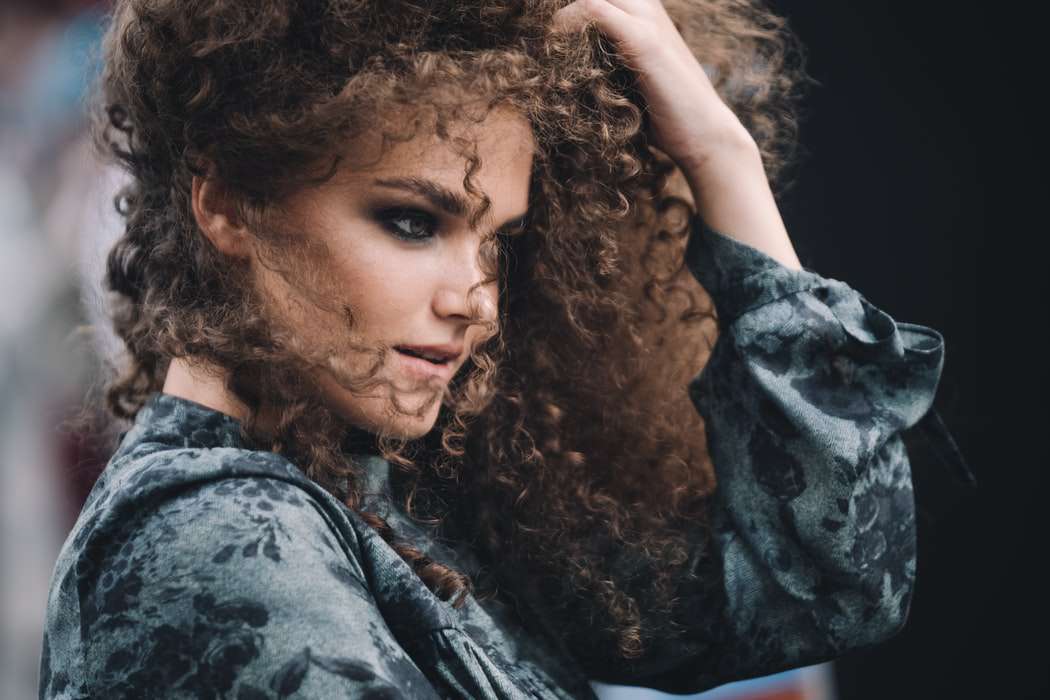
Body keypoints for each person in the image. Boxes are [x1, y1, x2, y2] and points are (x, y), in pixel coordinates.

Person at [39, 1, 956, 697]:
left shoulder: (409, 501)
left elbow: (835, 587)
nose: (475, 301)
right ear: (228, 203)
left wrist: (721, 154)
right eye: (412, 221)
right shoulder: (207, 540)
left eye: (499, 243)